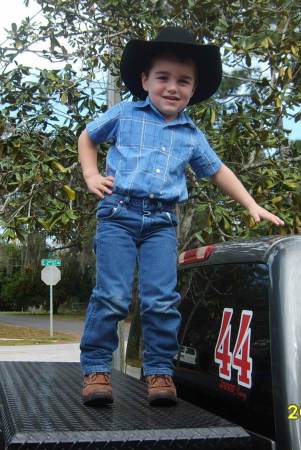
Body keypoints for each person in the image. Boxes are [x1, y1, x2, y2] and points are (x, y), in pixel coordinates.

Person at [78, 26, 284, 407]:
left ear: (193, 88)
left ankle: (159, 371)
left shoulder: (191, 134)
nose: (172, 87)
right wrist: (91, 175)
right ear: (145, 80)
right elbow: (88, 137)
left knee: (161, 299)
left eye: (183, 81)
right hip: (118, 213)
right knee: (113, 295)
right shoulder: (126, 113)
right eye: (163, 78)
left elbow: (218, 170)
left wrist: (251, 204)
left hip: (161, 222)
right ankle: (95, 369)